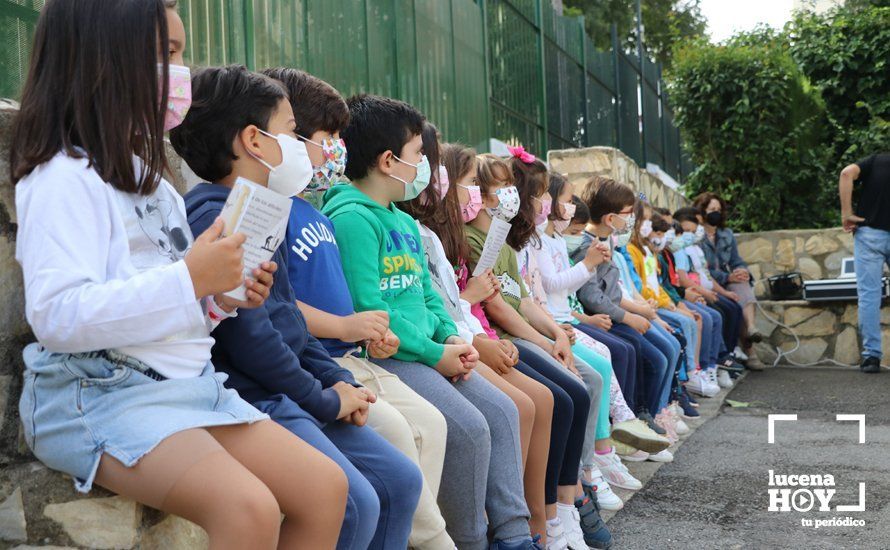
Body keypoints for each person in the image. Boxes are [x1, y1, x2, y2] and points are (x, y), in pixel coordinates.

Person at [12, 2, 348, 548]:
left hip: (187, 387)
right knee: (249, 510)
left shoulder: (151, 179)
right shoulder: (62, 176)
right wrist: (192, 279)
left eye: (180, 54)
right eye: (167, 54)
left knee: (325, 490)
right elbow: (56, 316)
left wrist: (221, 300)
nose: (180, 73)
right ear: (106, 58)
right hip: (100, 392)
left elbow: (173, 300)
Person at [173, 66, 423, 550]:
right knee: (358, 503)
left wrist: (338, 382)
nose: (307, 145)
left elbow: (287, 320)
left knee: (400, 481)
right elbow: (251, 341)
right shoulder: (221, 218)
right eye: (292, 132)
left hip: (297, 389)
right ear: (254, 140)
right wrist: (325, 398)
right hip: (262, 396)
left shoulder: (260, 207)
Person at [325, 94, 539, 550]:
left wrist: (451, 338)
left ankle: (515, 535)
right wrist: (435, 352)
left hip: (433, 350)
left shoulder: (399, 219)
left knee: (500, 411)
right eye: (419, 155)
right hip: (398, 355)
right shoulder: (351, 221)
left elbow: (427, 293)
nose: (424, 165)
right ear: (388, 161)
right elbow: (370, 307)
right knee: (468, 427)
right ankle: (470, 540)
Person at [260, 68, 455, 550]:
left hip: (350, 354)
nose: (336, 151)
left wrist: (371, 330)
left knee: (432, 425)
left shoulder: (309, 208)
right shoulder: (281, 212)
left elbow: (358, 302)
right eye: (326, 139)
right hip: (327, 361)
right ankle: (435, 542)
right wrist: (351, 327)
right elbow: (277, 306)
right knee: (397, 437)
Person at [405, 135, 555, 543]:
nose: (477, 192)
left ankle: (533, 522)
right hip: (452, 345)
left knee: (539, 399)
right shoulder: (436, 234)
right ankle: (502, 529)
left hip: (465, 339)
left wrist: (553, 332)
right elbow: (452, 303)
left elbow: (446, 305)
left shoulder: (438, 236)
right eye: (470, 181)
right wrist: (467, 338)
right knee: (517, 406)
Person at [693, 192, 765, 370]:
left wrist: (742, 271)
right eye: (712, 209)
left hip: (728, 281)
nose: (716, 213)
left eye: (719, 209)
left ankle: (751, 328)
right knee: (734, 300)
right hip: (712, 282)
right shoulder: (696, 237)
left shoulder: (726, 234)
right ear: (702, 212)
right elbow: (703, 270)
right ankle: (750, 351)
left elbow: (735, 260)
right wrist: (727, 277)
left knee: (742, 286)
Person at [838, 152, 890, 373]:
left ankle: (871, 358)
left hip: (869, 234)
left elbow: (846, 173)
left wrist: (847, 213)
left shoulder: (877, 160)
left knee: (869, 296)